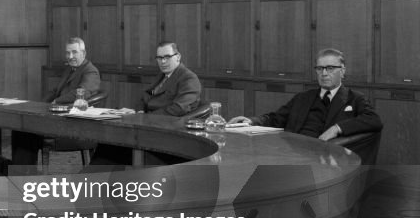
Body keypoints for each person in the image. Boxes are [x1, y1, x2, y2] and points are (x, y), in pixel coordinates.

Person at [229, 48, 383, 163]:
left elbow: (374, 120)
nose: (324, 73)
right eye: (319, 68)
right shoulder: (304, 97)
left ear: (342, 71)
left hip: (322, 158)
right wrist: (251, 121)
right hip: (291, 153)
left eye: (330, 68)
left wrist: (337, 128)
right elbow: (276, 118)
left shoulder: (354, 99)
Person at [125, 41, 202, 116]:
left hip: (167, 123)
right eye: (159, 57)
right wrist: (140, 112)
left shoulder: (189, 78)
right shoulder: (162, 75)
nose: (163, 61)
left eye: (167, 57)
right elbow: (145, 96)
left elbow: (179, 108)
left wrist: (147, 117)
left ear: (178, 57)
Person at [46, 38, 101, 104]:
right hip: (59, 107)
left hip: (76, 110)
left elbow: (81, 93)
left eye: (74, 52)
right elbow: (56, 90)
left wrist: (57, 101)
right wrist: (41, 104)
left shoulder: (91, 71)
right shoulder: (69, 68)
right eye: (68, 53)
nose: (70, 56)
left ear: (83, 53)